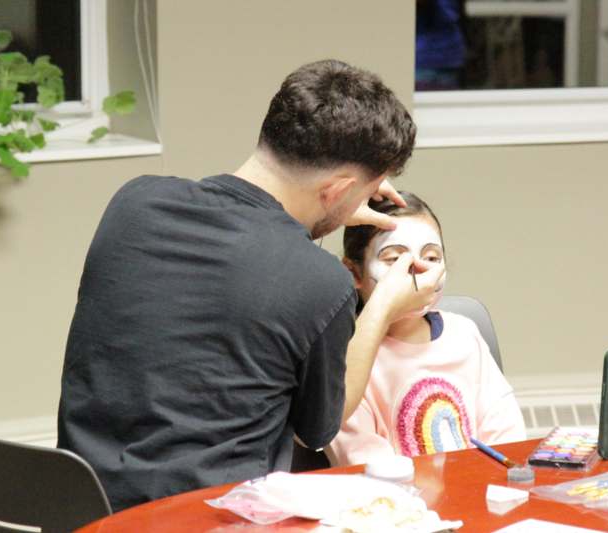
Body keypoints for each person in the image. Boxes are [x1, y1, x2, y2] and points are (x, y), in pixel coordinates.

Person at [56, 59, 444, 512]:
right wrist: (380, 308)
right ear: (336, 190)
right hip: (205, 518)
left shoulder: (135, 203)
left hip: (82, 511)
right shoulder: (318, 282)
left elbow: (237, 261)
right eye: (366, 192)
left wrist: (317, 219)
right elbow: (318, 430)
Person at [325, 192, 526, 467]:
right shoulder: (347, 357)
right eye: (394, 259)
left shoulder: (464, 335)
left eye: (431, 257)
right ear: (354, 273)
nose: (417, 270)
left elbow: (506, 436)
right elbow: (365, 464)